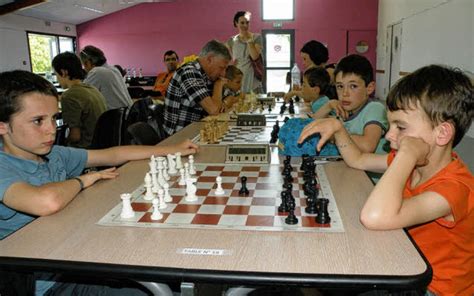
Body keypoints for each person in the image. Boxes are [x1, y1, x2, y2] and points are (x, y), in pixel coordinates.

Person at [0, 70, 199, 295]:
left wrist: (172, 149)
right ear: (2, 126)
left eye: (54, 118)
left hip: (77, 258)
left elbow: (112, 154)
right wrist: (82, 180)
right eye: (38, 121)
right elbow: (46, 202)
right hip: (45, 284)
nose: (51, 129)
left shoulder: (53, 154)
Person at [298, 64, 473, 296]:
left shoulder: (454, 188)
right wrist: (339, 129)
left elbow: (375, 217)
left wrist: (408, 153)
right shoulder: (412, 165)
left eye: (400, 127)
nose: (389, 135)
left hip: (431, 288)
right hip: (402, 265)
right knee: (317, 274)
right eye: (390, 125)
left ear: (442, 133)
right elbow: (359, 159)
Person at [311, 54, 387, 154]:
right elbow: (311, 125)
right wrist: (329, 105)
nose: (345, 93)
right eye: (340, 86)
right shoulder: (343, 109)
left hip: (370, 169)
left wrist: (334, 135)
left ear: (369, 88)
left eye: (353, 86)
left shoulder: (374, 108)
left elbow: (367, 146)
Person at [163, 40, 231, 136]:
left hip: (197, 130)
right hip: (179, 136)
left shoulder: (207, 75)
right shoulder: (189, 72)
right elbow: (214, 110)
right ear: (209, 59)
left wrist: (222, 102)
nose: (223, 74)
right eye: (221, 68)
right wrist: (218, 85)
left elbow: (227, 99)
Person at [52, 52, 107, 148]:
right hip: (102, 143)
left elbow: (75, 137)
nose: (57, 79)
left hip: (85, 148)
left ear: (64, 72)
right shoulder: (92, 89)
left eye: (56, 74)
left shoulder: (69, 96)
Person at [79, 45, 133, 110]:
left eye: (84, 65)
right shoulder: (113, 69)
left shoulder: (97, 72)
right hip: (127, 114)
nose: (84, 68)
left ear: (88, 62)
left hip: (117, 117)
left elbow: (82, 95)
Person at [227, 11, 263, 93]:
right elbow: (228, 58)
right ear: (236, 23)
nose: (245, 25)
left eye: (247, 22)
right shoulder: (231, 40)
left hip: (253, 80)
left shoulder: (257, 37)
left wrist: (249, 40)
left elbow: (255, 57)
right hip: (238, 79)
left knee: (255, 103)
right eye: (242, 23)